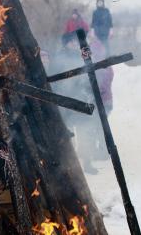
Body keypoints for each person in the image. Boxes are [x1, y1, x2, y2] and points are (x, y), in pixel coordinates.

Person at [56, 32, 113, 174]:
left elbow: (91, 74)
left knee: (85, 133)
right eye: (71, 42)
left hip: (83, 100)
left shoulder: (80, 56)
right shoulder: (60, 58)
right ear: (66, 44)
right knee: (68, 137)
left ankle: (87, 164)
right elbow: (60, 80)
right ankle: (70, 167)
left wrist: (89, 90)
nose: (74, 44)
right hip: (67, 101)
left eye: (75, 42)